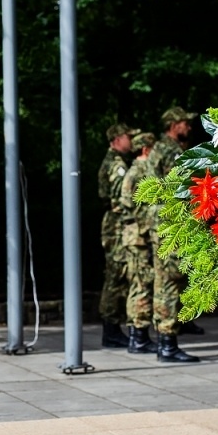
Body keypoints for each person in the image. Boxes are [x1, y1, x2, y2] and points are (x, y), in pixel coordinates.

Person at [149, 107, 200, 363]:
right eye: (184, 123)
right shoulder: (171, 151)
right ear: (173, 125)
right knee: (170, 281)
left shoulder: (158, 148)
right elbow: (182, 189)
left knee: (162, 281)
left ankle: (164, 341)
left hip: (159, 222)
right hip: (170, 222)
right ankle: (167, 343)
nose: (188, 127)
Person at [118, 132, 158, 354]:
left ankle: (136, 333)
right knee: (142, 284)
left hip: (132, 235)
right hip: (139, 236)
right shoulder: (142, 171)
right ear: (146, 150)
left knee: (136, 284)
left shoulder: (133, 170)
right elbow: (140, 207)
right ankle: (139, 336)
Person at [97, 123, 135, 348]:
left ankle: (113, 328)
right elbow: (122, 197)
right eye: (127, 136)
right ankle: (111, 329)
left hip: (115, 224)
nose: (130, 140)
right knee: (116, 276)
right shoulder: (116, 165)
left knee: (118, 275)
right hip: (117, 226)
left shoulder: (115, 162)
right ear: (116, 140)